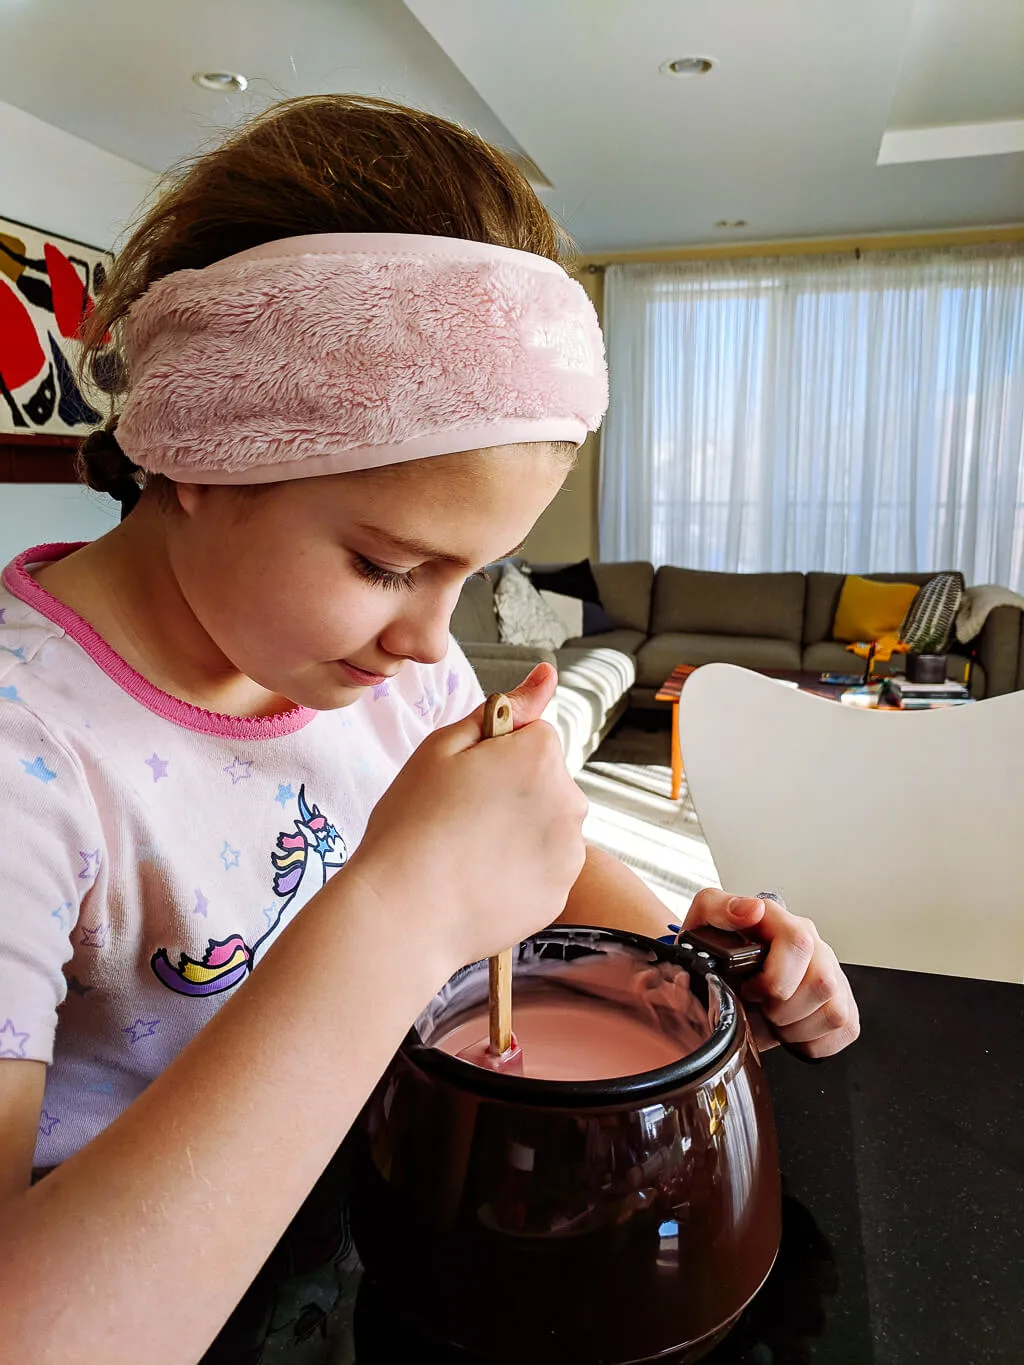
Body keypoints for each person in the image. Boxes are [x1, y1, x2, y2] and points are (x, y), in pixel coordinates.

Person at [0, 95, 859, 1362]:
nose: (427, 641)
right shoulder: (34, 761)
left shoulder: (383, 671)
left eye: (471, 574)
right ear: (191, 447)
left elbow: (540, 855)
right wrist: (396, 910)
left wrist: (691, 957)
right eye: (385, 561)